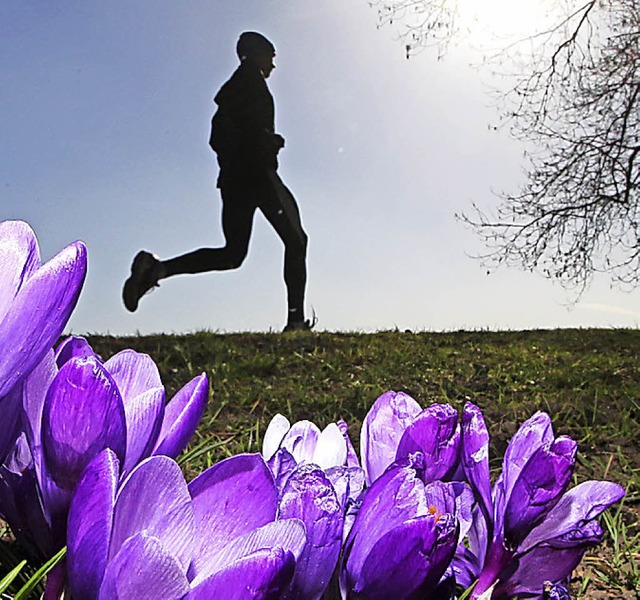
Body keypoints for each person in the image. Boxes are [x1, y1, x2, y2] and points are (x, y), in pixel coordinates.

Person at [123, 31, 312, 331]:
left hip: (235, 180)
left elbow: (220, 134)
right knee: (297, 240)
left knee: (233, 254)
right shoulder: (249, 84)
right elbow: (224, 134)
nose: (274, 65)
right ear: (255, 54)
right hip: (257, 176)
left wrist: (258, 142)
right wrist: (265, 141)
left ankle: (156, 270)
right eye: (271, 57)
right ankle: (295, 321)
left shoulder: (237, 87)